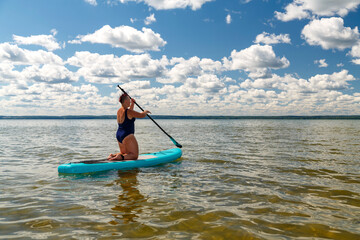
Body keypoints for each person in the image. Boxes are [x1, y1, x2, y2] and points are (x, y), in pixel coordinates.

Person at [108, 93, 151, 161]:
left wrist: (132, 104)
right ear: (125, 101)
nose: (130, 101)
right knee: (134, 156)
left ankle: (113, 155)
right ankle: (120, 157)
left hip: (119, 134)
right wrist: (145, 112)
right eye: (129, 100)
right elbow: (141, 115)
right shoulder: (128, 111)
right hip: (127, 134)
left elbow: (130, 115)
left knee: (125, 153)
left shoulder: (119, 111)